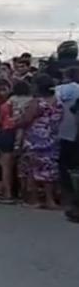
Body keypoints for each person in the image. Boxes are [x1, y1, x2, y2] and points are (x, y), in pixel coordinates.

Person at [18, 74, 63, 210]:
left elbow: (26, 119)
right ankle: (50, 200)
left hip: (35, 139)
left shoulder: (37, 103)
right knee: (48, 170)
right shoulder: (57, 101)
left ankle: (34, 200)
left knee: (32, 168)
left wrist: (15, 122)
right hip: (52, 139)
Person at [55, 67, 79, 199]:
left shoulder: (66, 88)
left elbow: (54, 98)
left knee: (63, 164)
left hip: (64, 131)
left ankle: (66, 191)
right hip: (73, 132)